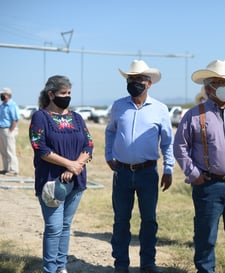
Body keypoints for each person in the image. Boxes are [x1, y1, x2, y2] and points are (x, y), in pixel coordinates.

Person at [173, 59, 225, 273]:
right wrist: (194, 174)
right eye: (220, 82)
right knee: (205, 236)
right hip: (208, 185)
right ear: (209, 86)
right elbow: (180, 147)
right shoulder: (194, 115)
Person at [105, 60, 174, 273]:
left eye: (138, 79)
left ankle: (147, 263)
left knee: (149, 220)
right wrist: (109, 155)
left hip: (148, 172)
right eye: (130, 79)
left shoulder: (160, 109)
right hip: (122, 172)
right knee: (121, 220)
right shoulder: (118, 106)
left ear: (149, 83)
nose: (134, 83)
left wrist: (168, 168)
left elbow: (167, 141)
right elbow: (110, 131)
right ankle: (121, 265)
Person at [29, 75, 94, 273]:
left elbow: (88, 144)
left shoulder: (77, 118)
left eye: (69, 93)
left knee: (66, 226)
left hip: (76, 181)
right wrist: (70, 164)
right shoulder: (41, 117)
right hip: (51, 181)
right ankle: (49, 268)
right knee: (54, 228)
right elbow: (40, 147)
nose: (67, 97)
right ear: (51, 94)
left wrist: (75, 166)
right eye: (63, 93)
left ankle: (61, 266)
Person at [0, 87, 20, 176]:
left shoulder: (12, 105)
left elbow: (15, 119)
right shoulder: (2, 105)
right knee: (3, 150)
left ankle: (13, 169)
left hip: (8, 129)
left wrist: (10, 131)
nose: (1, 96)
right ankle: (6, 168)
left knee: (10, 150)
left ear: (8, 95)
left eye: (3, 94)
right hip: (1, 129)